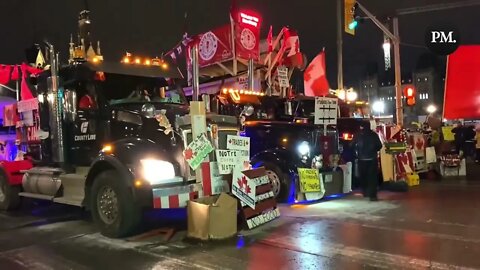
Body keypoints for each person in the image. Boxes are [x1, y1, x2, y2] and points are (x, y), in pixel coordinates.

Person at [352, 121, 383, 201]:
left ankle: (365, 192)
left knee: (363, 177)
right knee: (372, 178)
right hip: (372, 159)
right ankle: (372, 195)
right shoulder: (374, 135)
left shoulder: (358, 135)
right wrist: (374, 150)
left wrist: (357, 151)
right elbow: (379, 145)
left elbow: (351, 145)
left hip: (361, 159)